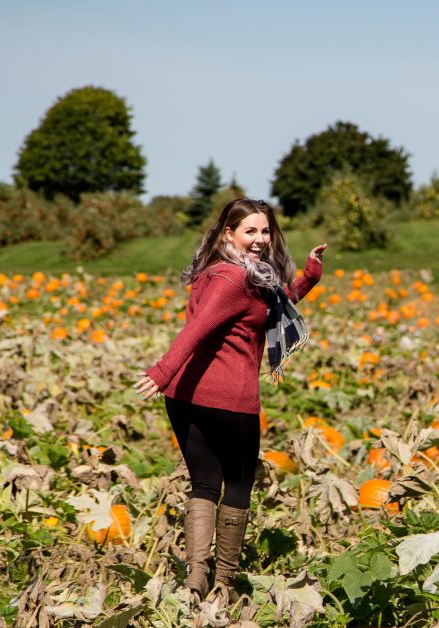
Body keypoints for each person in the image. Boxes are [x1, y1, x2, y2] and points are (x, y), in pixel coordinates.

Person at [134, 197, 326, 599]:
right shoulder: (235, 279)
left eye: (265, 231)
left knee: (204, 484)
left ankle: (194, 579)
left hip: (185, 395)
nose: (259, 239)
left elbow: (273, 306)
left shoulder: (228, 273)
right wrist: (161, 370)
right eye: (249, 231)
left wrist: (308, 277)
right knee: (238, 486)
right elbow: (198, 329)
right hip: (226, 398)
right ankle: (223, 582)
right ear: (229, 234)